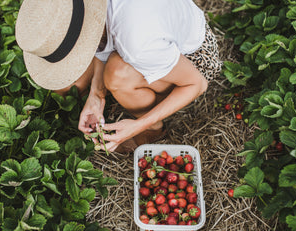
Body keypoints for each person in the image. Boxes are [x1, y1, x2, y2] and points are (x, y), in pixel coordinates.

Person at [15, 0, 222, 152]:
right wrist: (96, 96)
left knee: (117, 74)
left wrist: (138, 125)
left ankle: (154, 129)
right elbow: (101, 42)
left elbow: (197, 84)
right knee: (80, 82)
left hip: (192, 58)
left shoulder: (137, 43)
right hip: (160, 31)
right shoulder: (86, 11)